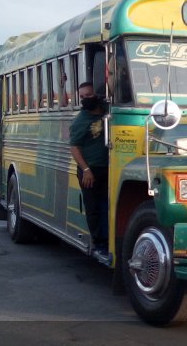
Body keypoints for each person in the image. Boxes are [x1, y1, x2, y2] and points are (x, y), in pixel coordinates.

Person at [69, 82, 110, 263]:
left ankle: (111, 239)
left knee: (106, 206)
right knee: (94, 208)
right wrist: (86, 170)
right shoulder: (80, 121)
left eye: (89, 95)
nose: (86, 99)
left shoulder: (108, 111)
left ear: (97, 94)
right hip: (91, 170)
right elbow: (75, 147)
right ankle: (100, 242)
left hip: (109, 168)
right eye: (82, 96)